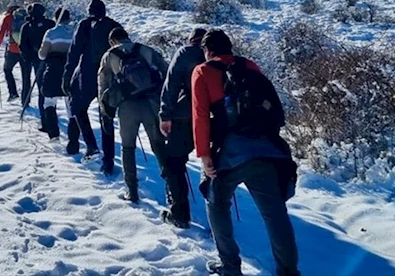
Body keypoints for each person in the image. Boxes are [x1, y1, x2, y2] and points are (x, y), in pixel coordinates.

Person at [192, 30, 300, 276]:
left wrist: (205, 155)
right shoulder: (250, 65)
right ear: (230, 48)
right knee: (275, 215)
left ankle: (230, 267)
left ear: (208, 51)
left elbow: (200, 116)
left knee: (216, 203)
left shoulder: (203, 71)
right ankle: (289, 272)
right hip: (268, 149)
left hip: (230, 153)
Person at [98, 27, 169, 203]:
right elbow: (167, 72)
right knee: (159, 146)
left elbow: (103, 83)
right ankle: (172, 190)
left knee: (128, 147)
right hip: (151, 104)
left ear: (112, 41)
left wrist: (105, 109)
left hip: (127, 106)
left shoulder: (110, 55)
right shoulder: (145, 49)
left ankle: (132, 191)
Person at [62, 0, 121, 174]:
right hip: (108, 75)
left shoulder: (84, 25)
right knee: (106, 117)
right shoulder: (113, 25)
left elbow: (74, 52)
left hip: (86, 74)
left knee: (78, 108)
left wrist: (67, 76)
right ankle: (108, 161)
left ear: (89, 11)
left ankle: (91, 146)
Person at [157, 27, 207, 228]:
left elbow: (171, 85)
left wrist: (165, 115)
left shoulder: (185, 53)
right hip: (215, 117)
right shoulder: (221, 56)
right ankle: (219, 218)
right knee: (214, 166)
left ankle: (179, 214)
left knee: (173, 164)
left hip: (186, 115)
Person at [37, 8, 73, 140]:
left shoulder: (51, 33)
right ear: (69, 19)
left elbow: (42, 55)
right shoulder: (75, 32)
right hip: (70, 72)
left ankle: (54, 134)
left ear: (55, 18)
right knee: (71, 106)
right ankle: (73, 138)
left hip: (53, 71)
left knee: (49, 102)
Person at [19, 3, 55, 127]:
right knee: (45, 89)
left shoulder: (27, 26)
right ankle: (47, 119)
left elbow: (22, 45)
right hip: (50, 60)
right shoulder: (50, 24)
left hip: (37, 60)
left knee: (41, 88)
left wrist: (29, 58)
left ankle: (45, 120)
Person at [0, 5, 27, 102]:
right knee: (25, 75)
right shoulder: (26, 18)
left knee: (7, 69)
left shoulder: (8, 18)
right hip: (25, 51)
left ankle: (13, 93)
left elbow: (1, 32)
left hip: (12, 50)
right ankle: (25, 99)